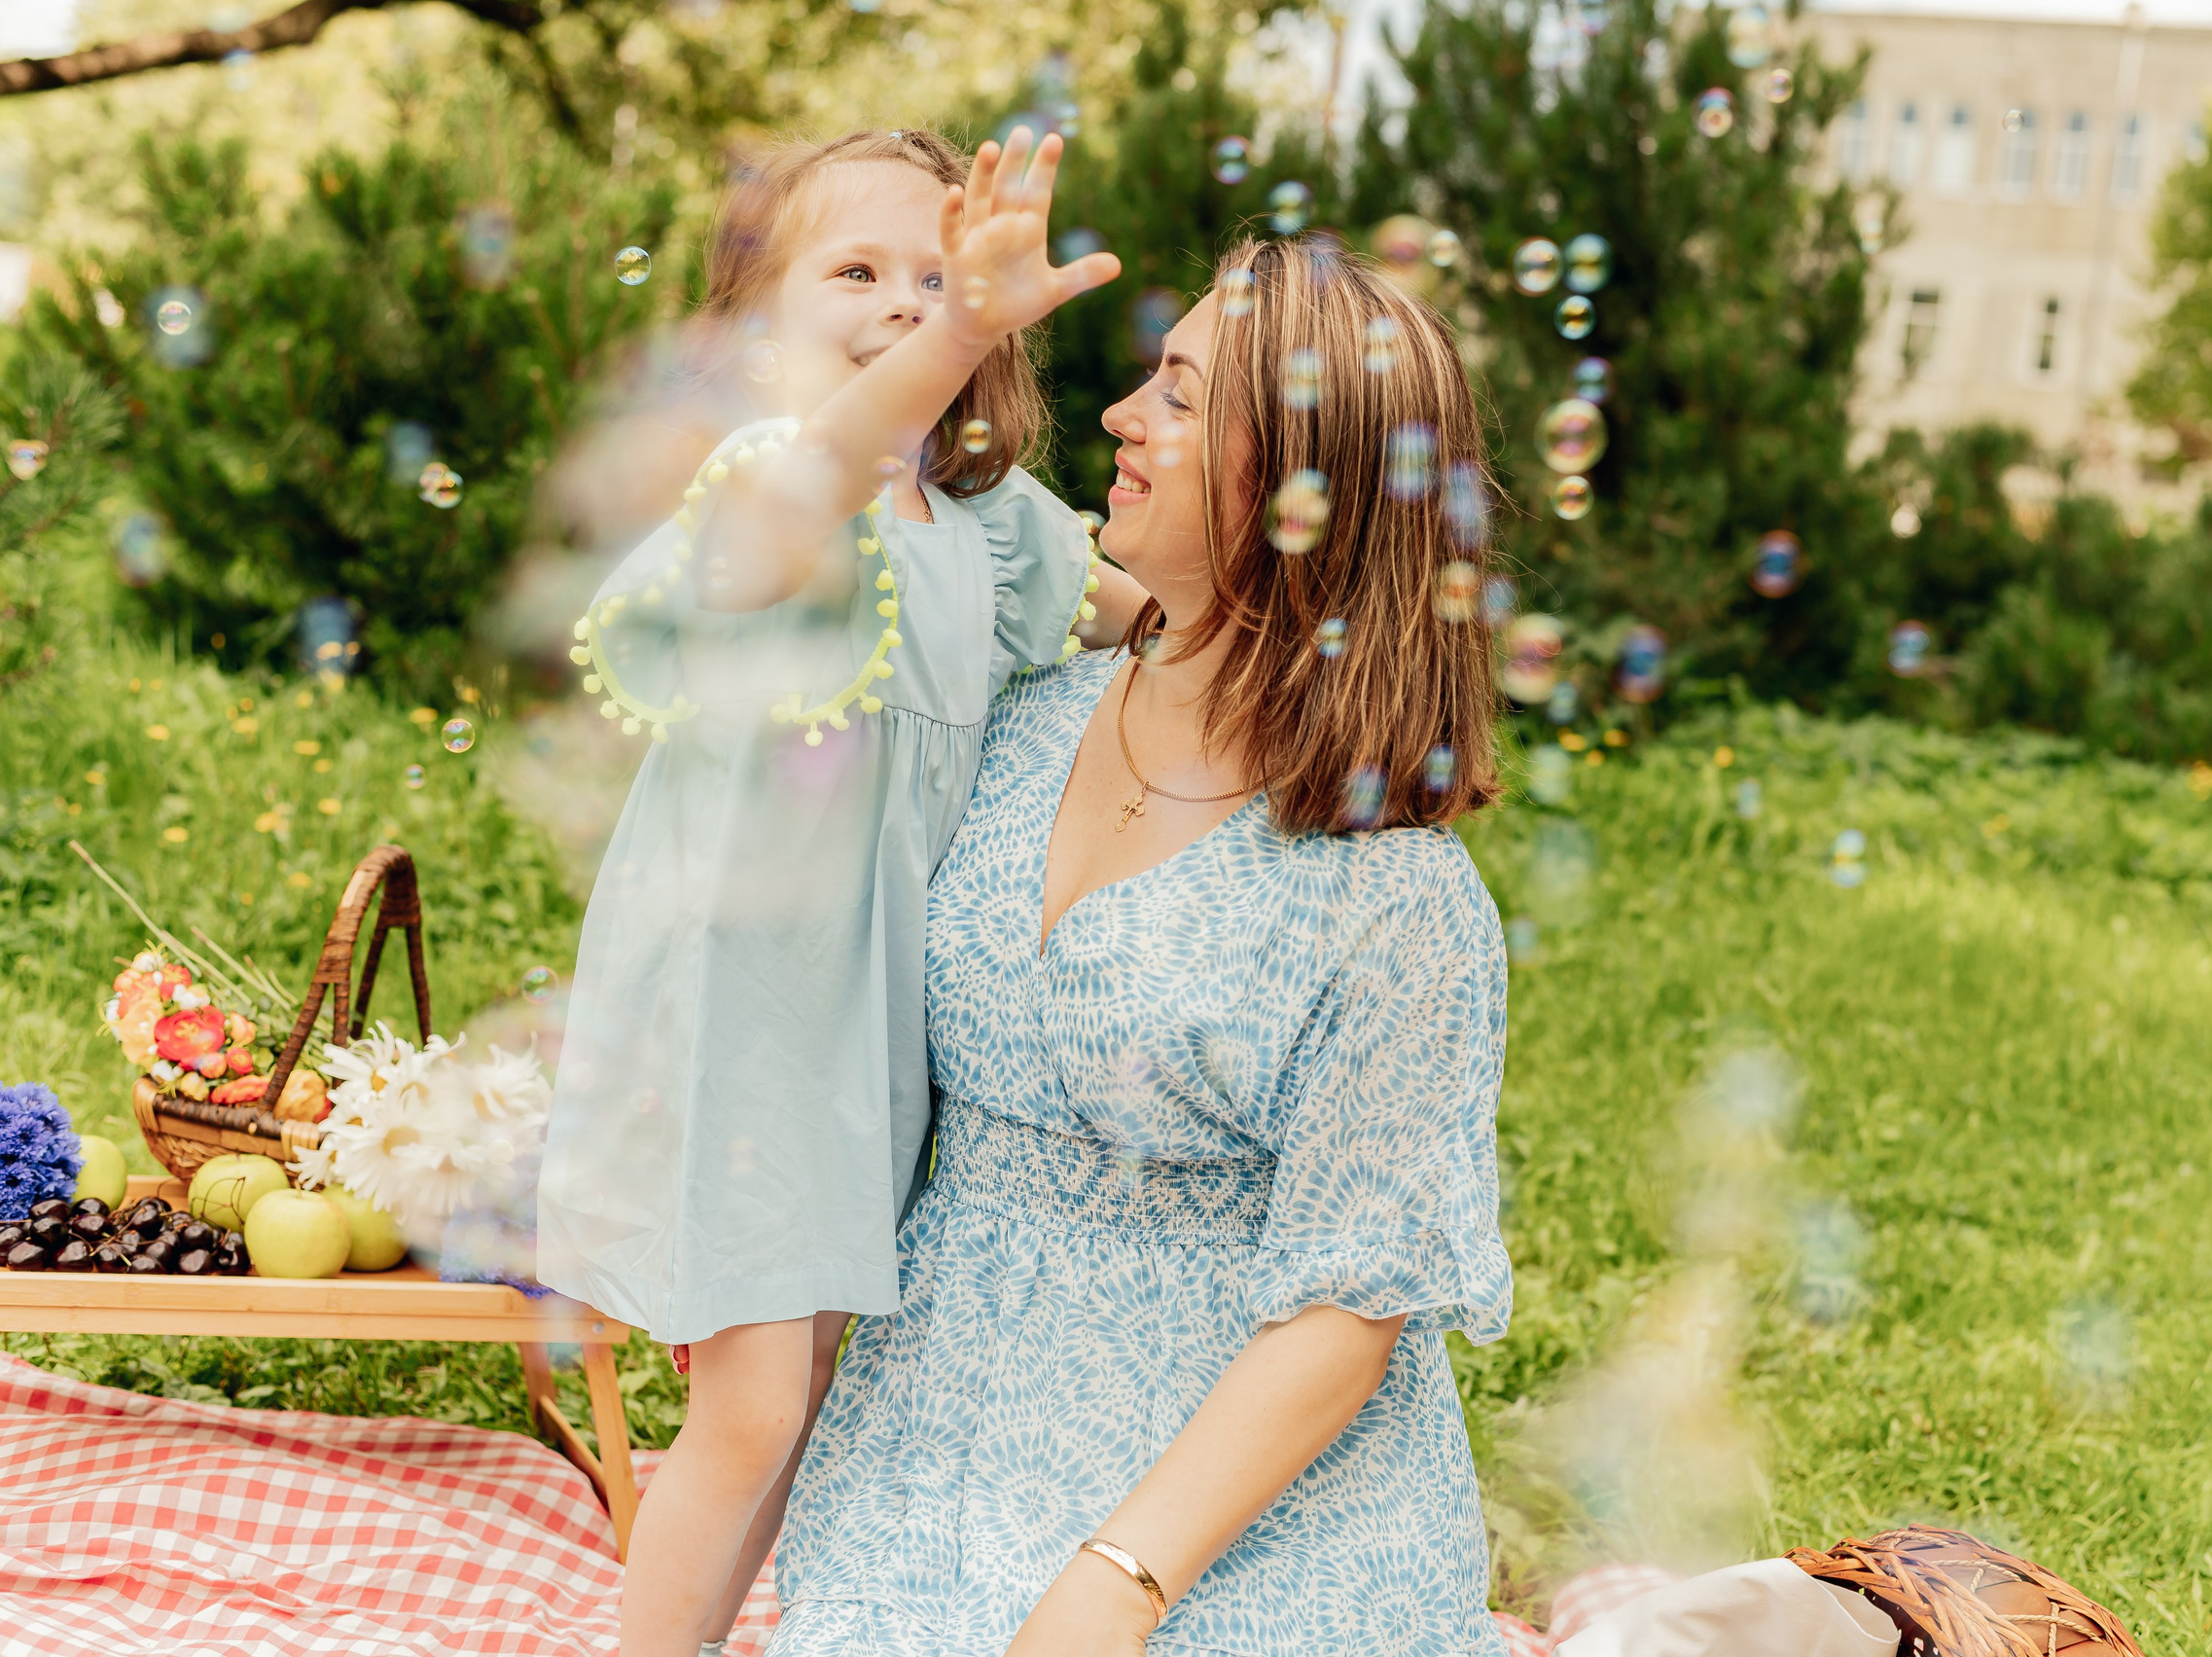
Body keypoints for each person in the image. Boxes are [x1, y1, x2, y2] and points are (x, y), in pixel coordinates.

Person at [766, 234, 1516, 1656]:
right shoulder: (1017, 721)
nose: (1120, 417)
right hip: (933, 1458)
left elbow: (1343, 1312)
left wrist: (1120, 1582)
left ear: (1297, 489)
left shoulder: (1395, 903)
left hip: (1236, 1534)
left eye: (1177, 395)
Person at [533, 126, 1143, 1657]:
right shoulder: (776, 485)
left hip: (862, 1032)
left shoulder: (993, 526)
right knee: (748, 1406)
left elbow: (1146, 616)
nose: (906, 302)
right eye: (855, 272)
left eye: (936, 272)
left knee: (795, 1400)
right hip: (737, 1014)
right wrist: (960, 326)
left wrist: (1332, 645)